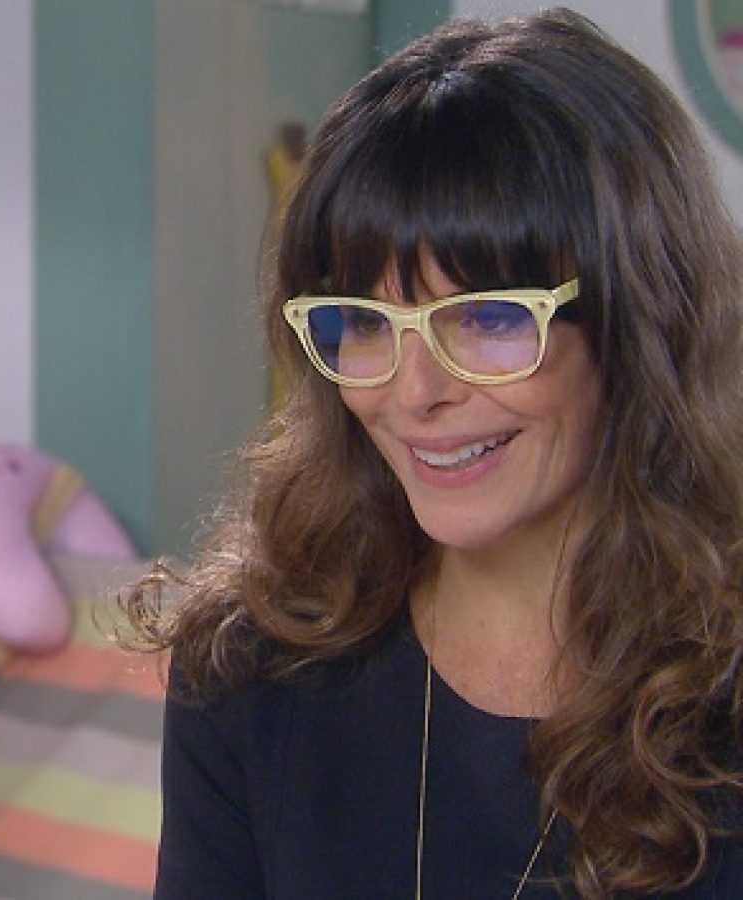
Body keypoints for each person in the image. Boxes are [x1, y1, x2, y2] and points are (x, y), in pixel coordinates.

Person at [125, 7, 743, 897]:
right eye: (365, 322)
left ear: (641, 323)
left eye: (487, 317)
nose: (415, 392)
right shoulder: (249, 671)